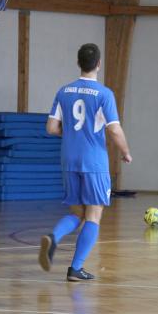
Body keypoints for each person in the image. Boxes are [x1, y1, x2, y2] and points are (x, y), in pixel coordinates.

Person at [39, 43, 132, 281]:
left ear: (78, 63)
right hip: (93, 162)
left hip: (68, 159)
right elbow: (114, 130)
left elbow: (51, 128)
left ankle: (54, 237)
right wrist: (125, 151)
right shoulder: (104, 94)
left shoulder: (63, 91)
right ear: (98, 64)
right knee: (93, 214)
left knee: (78, 211)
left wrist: (71, 132)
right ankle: (75, 268)